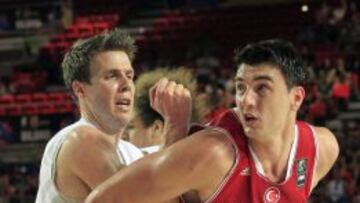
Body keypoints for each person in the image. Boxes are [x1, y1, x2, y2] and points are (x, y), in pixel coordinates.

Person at [85, 39, 339, 203]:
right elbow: (102, 200)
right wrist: (176, 129)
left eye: (262, 88)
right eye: (240, 88)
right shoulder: (214, 154)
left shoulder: (322, 149)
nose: (246, 100)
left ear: (296, 97)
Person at [35, 28, 191, 203]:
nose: (127, 85)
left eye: (129, 75)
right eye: (112, 76)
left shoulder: (130, 151)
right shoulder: (80, 140)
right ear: (80, 89)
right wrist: (176, 125)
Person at [127, 67, 207, 154]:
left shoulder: (135, 159)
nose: (123, 134)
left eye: (131, 127)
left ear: (157, 129)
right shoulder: (204, 157)